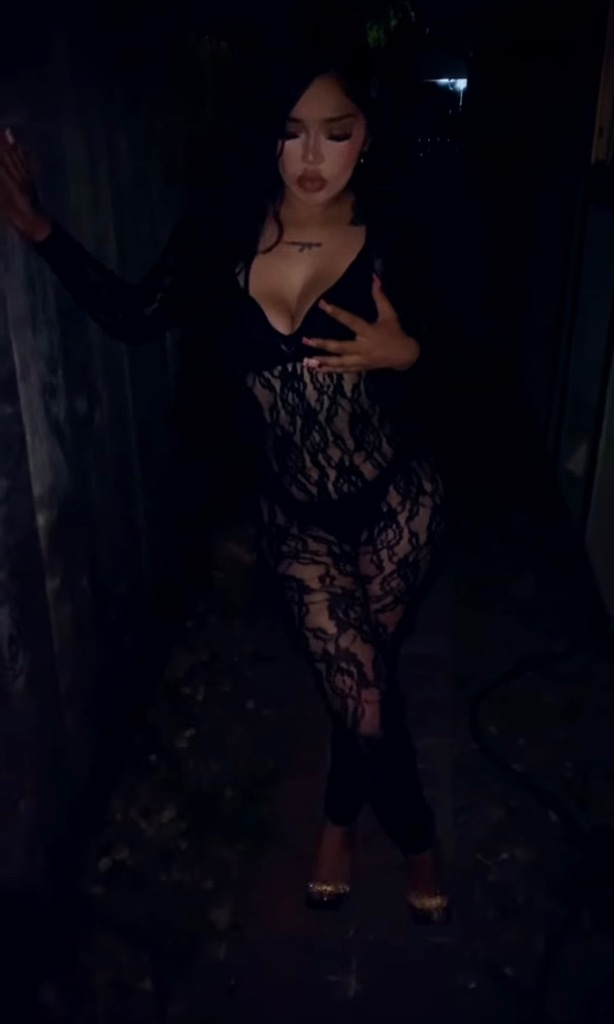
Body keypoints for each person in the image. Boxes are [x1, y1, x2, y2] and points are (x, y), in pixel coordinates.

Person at [0, 33, 451, 925]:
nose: (312, 156)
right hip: (299, 519)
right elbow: (136, 315)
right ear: (264, 133)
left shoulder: (398, 232)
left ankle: (336, 824)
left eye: (337, 132)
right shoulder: (222, 231)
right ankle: (420, 844)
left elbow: (472, 353)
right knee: (364, 696)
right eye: (291, 131)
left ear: (368, 134)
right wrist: (42, 231)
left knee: (364, 679)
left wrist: (411, 353)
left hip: (401, 503)